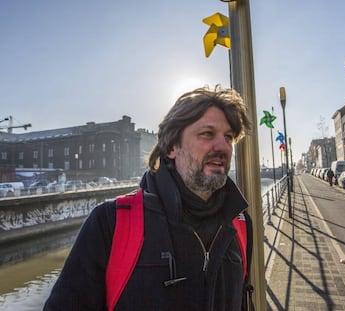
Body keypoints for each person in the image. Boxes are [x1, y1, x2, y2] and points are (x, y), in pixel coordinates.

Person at [43, 86, 253, 310]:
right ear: (172, 146)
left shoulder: (240, 225)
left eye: (228, 137)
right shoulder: (110, 223)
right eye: (207, 134)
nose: (223, 146)